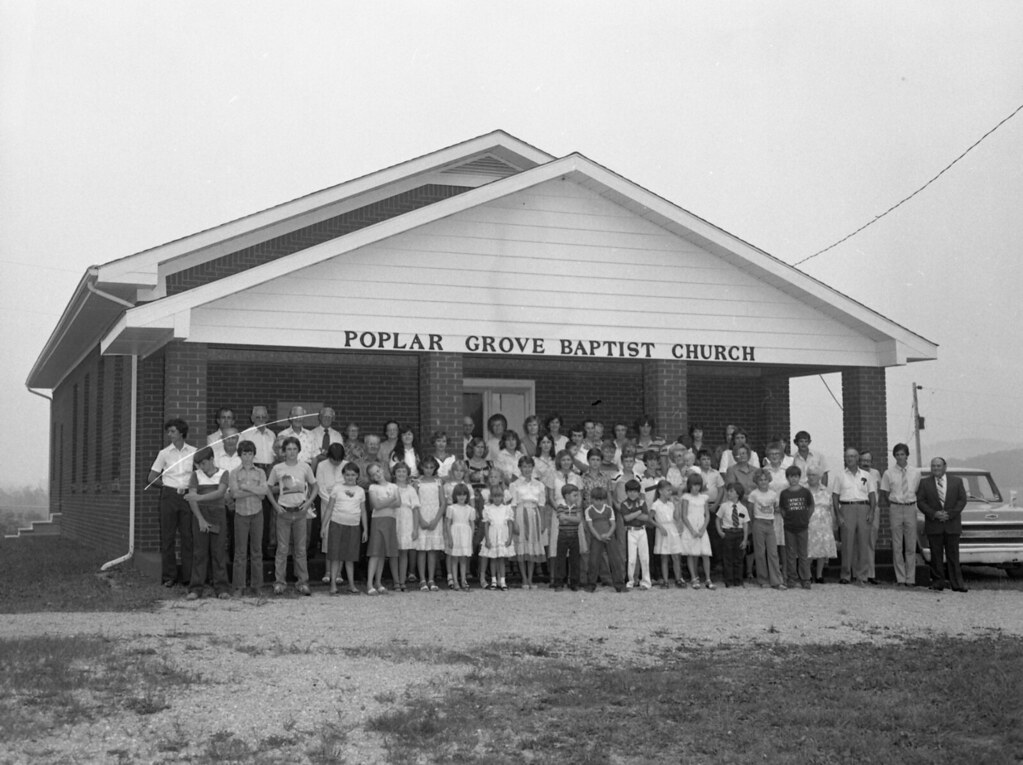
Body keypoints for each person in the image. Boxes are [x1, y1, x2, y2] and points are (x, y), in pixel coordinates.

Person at [148, 418, 197, 588]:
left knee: (187, 537)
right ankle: (169, 576)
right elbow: (151, 478)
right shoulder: (164, 454)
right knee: (167, 537)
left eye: (172, 431)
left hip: (187, 497)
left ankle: (188, 576)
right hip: (169, 497)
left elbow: (200, 474)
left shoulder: (194, 451)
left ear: (181, 433)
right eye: (168, 431)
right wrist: (167, 487)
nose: (169, 435)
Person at [267, 436, 317, 596]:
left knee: (301, 549)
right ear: (283, 451)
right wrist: (275, 506)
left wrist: (308, 503)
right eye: (288, 449)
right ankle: (280, 583)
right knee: (282, 549)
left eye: (294, 449)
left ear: (299, 450)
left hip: (300, 512)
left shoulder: (305, 467)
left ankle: (302, 582)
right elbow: (267, 488)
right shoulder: (278, 468)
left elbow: (315, 486)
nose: (291, 452)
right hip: (284, 513)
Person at [183, 447, 231, 600]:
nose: (201, 468)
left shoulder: (223, 473)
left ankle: (222, 588)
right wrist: (200, 519)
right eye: (198, 465)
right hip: (200, 516)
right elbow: (191, 499)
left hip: (218, 515)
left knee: (218, 552)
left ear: (212, 459)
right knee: (199, 552)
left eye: (203, 463)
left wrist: (199, 497)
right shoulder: (195, 475)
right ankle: (196, 589)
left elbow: (220, 492)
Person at [917, 457, 968, 592]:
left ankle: (957, 584)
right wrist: (934, 514)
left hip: (952, 524)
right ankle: (938, 582)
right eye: (933, 466)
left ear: (945, 467)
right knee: (936, 555)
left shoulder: (957, 481)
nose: (936, 468)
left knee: (953, 556)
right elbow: (921, 501)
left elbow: (962, 500)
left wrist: (950, 514)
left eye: (938, 466)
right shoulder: (924, 483)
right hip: (934, 524)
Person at [831, 447, 876, 586]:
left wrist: (871, 511)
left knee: (863, 543)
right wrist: (838, 515)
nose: (850, 459)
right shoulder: (840, 476)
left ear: (858, 458)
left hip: (863, 507)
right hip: (846, 507)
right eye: (847, 456)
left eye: (852, 456)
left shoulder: (867, 476)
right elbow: (835, 496)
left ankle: (861, 575)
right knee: (847, 543)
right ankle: (845, 574)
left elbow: (872, 495)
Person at [321, 463, 367, 595]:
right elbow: (329, 508)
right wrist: (324, 526)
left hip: (353, 526)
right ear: (343, 475)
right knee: (335, 556)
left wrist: (365, 529)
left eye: (353, 475)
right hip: (337, 524)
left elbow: (363, 511)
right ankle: (333, 584)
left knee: (350, 557)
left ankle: (351, 585)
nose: (350, 477)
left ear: (357, 475)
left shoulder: (360, 491)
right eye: (347, 474)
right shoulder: (337, 488)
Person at [229, 439, 268, 596]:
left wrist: (245, 487)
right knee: (240, 552)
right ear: (240, 455)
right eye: (244, 453)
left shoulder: (260, 472)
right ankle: (239, 586)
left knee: (257, 551)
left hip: (257, 514)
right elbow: (234, 494)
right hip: (241, 515)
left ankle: (257, 585)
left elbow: (264, 493)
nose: (247, 457)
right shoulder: (234, 473)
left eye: (250, 453)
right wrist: (254, 490)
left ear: (254, 455)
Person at [881, 443, 921, 587]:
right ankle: (900, 578)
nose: (900, 457)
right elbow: (885, 493)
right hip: (896, 508)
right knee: (897, 545)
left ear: (907, 455)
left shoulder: (915, 472)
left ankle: (911, 578)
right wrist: (894, 504)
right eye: (897, 454)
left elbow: (917, 490)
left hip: (910, 508)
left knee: (910, 545)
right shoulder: (888, 473)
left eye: (902, 454)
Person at [510, 456, 546, 589]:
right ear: (520, 468)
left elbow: (541, 505)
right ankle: (524, 578)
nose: (527, 469)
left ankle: (530, 578)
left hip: (534, 514)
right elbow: (513, 505)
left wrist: (542, 523)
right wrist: (514, 522)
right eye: (524, 466)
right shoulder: (514, 485)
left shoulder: (539, 485)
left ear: (533, 468)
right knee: (522, 546)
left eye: (529, 466)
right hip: (520, 513)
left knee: (532, 546)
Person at [365, 463, 401, 594]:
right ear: (372, 477)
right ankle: (369, 583)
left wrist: (385, 502)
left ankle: (378, 582)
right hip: (378, 521)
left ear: (382, 469)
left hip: (390, 520)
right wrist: (390, 499)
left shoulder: (394, 486)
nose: (378, 474)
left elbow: (398, 503)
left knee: (382, 554)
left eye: (378, 470)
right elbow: (376, 505)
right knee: (375, 553)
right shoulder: (373, 487)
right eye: (374, 473)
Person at [315, 443, 349, 582]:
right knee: (329, 538)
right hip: (327, 503)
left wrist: (340, 499)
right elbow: (320, 486)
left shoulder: (347, 464)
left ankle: (339, 573)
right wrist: (330, 501)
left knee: (341, 538)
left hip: (343, 505)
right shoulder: (322, 465)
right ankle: (328, 572)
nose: (336, 463)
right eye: (334, 460)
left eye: (338, 461)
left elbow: (350, 484)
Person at [747, 468, 784, 589]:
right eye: (760, 480)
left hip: (770, 524)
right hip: (758, 523)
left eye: (765, 479)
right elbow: (750, 511)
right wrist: (753, 526)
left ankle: (776, 580)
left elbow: (776, 508)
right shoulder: (754, 494)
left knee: (773, 552)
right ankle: (763, 579)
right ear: (756, 481)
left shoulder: (773, 494)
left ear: (769, 480)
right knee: (760, 552)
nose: (763, 482)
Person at [583, 486, 624, 592]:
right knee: (593, 561)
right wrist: (598, 536)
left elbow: (613, 524)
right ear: (591, 499)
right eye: (596, 500)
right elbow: (590, 526)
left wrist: (608, 534)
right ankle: (591, 584)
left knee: (615, 560)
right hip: (596, 538)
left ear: (605, 500)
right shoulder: (589, 510)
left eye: (601, 500)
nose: (599, 502)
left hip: (609, 537)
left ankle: (619, 585)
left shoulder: (609, 509)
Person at [779, 465, 814, 590]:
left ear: (799, 477)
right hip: (789, 527)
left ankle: (805, 579)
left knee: (803, 554)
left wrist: (805, 519)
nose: (793, 479)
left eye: (796, 476)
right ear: (787, 478)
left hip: (803, 527)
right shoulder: (784, 494)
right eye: (790, 477)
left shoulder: (805, 492)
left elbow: (811, 507)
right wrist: (788, 519)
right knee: (790, 554)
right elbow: (782, 509)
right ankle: (791, 578)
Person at [415, 456, 446, 591]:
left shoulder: (438, 482)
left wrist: (436, 520)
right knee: (422, 550)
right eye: (426, 467)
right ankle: (422, 579)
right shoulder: (417, 482)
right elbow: (414, 503)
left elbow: (443, 503)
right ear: (421, 467)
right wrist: (420, 519)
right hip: (422, 516)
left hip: (434, 518)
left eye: (431, 467)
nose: (428, 470)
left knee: (432, 550)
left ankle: (431, 579)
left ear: (435, 468)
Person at [679, 473, 714, 589]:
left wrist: (703, 528)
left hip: (701, 527)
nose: (696, 488)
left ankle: (708, 578)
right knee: (691, 553)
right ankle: (694, 577)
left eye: (698, 485)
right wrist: (692, 530)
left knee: (705, 553)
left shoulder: (704, 498)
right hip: (690, 527)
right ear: (690, 485)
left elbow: (707, 515)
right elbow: (684, 516)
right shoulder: (686, 497)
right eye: (694, 485)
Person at [481, 481, 516, 591]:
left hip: (502, 536)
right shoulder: (488, 508)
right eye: (495, 496)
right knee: (493, 559)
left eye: (499, 496)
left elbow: (510, 524)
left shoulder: (507, 509)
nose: (497, 499)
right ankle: (494, 580)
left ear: (503, 497)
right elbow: (486, 525)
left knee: (501, 559)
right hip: (492, 536)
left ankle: (503, 581)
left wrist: (510, 537)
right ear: (491, 497)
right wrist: (487, 539)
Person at [715, 483, 750, 588]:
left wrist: (745, 539)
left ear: (738, 494)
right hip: (728, 533)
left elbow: (745, 524)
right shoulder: (724, 506)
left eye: (731, 491)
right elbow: (717, 519)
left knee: (739, 558)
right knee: (727, 558)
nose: (728, 493)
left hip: (739, 533)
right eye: (728, 491)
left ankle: (738, 580)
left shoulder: (743, 508)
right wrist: (720, 531)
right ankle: (728, 580)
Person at [806, 468, 837, 583]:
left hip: (824, 523)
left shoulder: (825, 490)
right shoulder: (804, 490)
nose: (811, 477)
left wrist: (833, 523)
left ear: (819, 477)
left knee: (822, 550)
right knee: (808, 548)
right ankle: (807, 574)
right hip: (809, 522)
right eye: (809, 475)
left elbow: (830, 507)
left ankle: (819, 575)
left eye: (814, 474)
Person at [651, 479, 684, 588]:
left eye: (671, 490)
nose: (670, 492)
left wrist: (677, 505)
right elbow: (649, 518)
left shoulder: (671, 504)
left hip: (672, 529)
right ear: (660, 491)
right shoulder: (656, 504)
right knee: (664, 556)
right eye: (668, 490)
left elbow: (677, 517)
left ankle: (678, 579)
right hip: (663, 530)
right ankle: (665, 580)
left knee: (675, 555)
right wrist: (659, 526)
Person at [620, 479, 652, 589]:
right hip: (631, 531)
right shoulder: (624, 504)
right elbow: (626, 518)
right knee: (632, 558)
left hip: (642, 531)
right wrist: (638, 512)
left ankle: (646, 582)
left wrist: (633, 514)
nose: (632, 494)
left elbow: (646, 517)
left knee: (644, 557)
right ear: (626, 492)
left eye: (634, 491)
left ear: (638, 492)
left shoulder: (642, 502)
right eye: (629, 491)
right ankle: (630, 581)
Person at [393, 462, 420, 591]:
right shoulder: (391, 487)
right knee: (394, 553)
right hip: (394, 520)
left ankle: (402, 580)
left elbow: (415, 509)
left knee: (404, 552)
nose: (401, 474)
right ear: (394, 473)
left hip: (407, 521)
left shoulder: (411, 489)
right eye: (398, 471)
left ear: (408, 474)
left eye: (404, 471)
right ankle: (396, 581)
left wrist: (415, 528)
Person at [551, 484, 583, 591]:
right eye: (575, 495)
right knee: (560, 559)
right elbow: (562, 520)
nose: (577, 498)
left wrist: (566, 517)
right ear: (567, 496)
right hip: (563, 535)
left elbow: (578, 520)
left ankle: (574, 583)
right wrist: (571, 518)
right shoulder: (560, 506)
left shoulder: (577, 507)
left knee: (575, 559)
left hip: (574, 535)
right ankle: (559, 583)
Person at [444, 483, 476, 591]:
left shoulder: (470, 509)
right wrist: (449, 537)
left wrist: (470, 538)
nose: (461, 497)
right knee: (454, 559)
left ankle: (463, 580)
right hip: (455, 533)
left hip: (465, 534)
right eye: (459, 495)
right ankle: (455, 581)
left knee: (463, 559)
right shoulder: (451, 508)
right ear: (455, 496)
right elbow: (447, 523)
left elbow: (472, 523)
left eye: (464, 494)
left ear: (467, 495)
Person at [857, 450, 883, 585]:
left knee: (871, 542)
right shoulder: (854, 473)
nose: (865, 463)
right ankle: (859, 573)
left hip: (873, 508)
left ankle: (870, 574)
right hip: (860, 508)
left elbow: (879, 491)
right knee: (859, 542)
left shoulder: (876, 473)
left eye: (868, 460)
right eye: (863, 460)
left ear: (871, 462)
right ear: (859, 461)